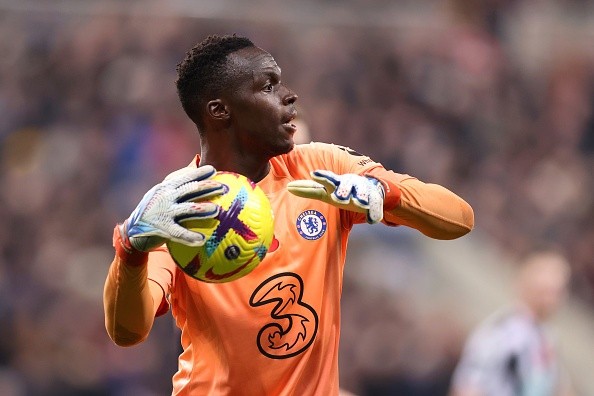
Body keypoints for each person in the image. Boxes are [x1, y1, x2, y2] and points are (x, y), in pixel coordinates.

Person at [103, 34, 474, 395]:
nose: (289, 95)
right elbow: (128, 333)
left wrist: (384, 193)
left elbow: (458, 218)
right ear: (219, 110)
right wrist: (131, 249)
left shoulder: (321, 167)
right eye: (267, 87)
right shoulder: (181, 206)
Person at [450, 251, 574, 396]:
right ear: (523, 280)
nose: (554, 282)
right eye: (545, 273)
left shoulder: (546, 338)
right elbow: (467, 389)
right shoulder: (501, 334)